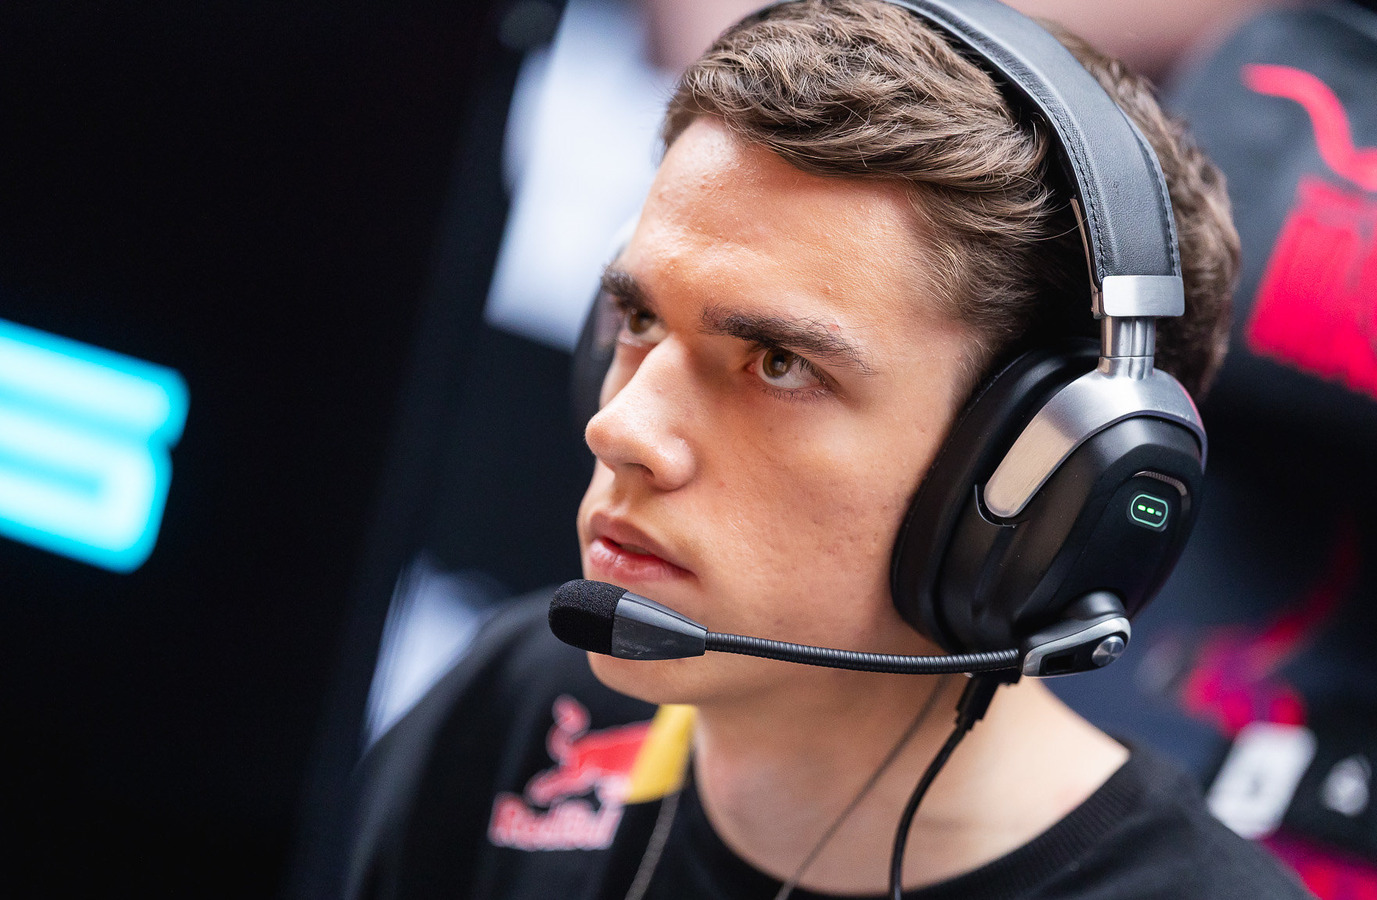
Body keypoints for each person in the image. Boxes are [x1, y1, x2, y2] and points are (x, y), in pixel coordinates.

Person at [341, 1, 1310, 897]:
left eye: (777, 364)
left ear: (1037, 479)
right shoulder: (522, 706)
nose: (622, 428)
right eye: (638, 319)